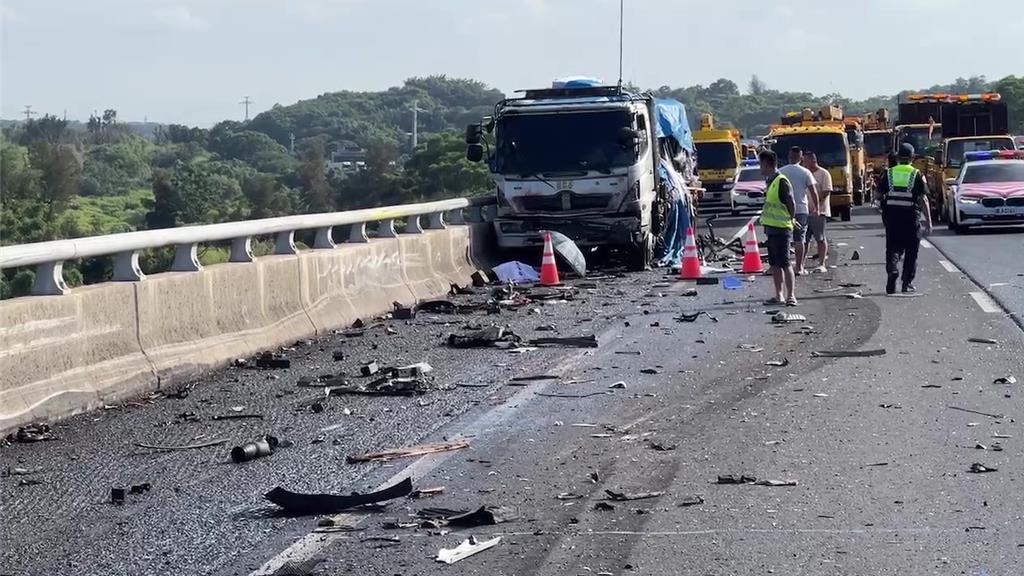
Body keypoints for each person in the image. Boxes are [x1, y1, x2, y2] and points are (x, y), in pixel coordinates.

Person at [876, 143, 932, 294]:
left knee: (893, 248)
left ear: (898, 157)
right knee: (911, 250)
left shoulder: (887, 173)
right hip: (911, 217)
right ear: (912, 157)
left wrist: (885, 206)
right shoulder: (917, 174)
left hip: (892, 217)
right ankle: (906, 283)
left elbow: (878, 195)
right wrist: (928, 221)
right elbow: (923, 199)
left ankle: (892, 271)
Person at [758, 149, 800, 306]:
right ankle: (779, 295)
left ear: (767, 164)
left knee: (785, 263)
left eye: (760, 164)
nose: (759, 167)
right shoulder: (770, 181)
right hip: (771, 229)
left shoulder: (781, 181)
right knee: (774, 264)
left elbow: (791, 202)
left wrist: (791, 218)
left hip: (782, 229)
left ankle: (791, 296)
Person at [778, 146, 818, 275]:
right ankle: (799, 267)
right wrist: (816, 207)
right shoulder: (805, 172)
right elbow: (813, 191)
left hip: (783, 210)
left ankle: (782, 266)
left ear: (789, 157)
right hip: (801, 209)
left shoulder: (780, 172)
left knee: (784, 238)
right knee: (799, 239)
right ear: (801, 158)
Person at [801, 151, 832, 272]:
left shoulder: (824, 174)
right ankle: (801, 264)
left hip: (819, 212)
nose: (804, 164)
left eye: (805, 161)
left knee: (820, 238)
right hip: (805, 212)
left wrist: (815, 204)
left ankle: (822, 263)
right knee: (804, 239)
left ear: (813, 161)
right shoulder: (805, 174)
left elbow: (826, 191)